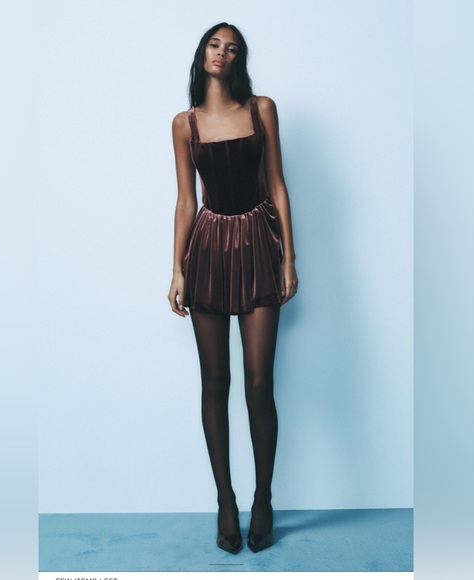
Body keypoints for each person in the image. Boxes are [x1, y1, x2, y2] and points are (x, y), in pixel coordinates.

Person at [168, 22, 298, 554]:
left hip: (259, 245)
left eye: (232, 48)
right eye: (214, 45)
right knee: (214, 381)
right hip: (208, 251)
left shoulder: (262, 109)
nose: (222, 53)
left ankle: (263, 498)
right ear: (202, 54)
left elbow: (278, 185)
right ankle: (225, 501)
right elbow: (185, 201)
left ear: (239, 59)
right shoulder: (185, 124)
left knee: (259, 383)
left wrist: (289, 258)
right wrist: (176, 269)